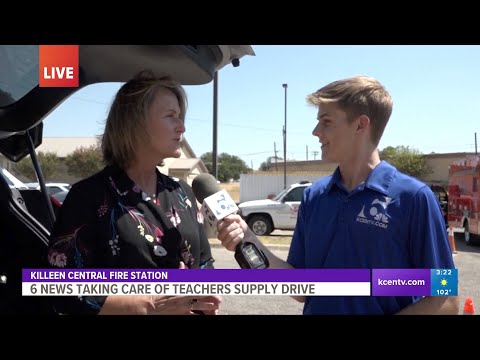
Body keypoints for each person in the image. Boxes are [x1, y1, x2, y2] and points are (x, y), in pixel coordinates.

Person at [216, 75, 460, 315]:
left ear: (360, 125)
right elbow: (301, 289)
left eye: (326, 121)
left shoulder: (413, 198)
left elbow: (446, 299)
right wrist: (249, 239)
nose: (315, 131)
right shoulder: (314, 196)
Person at [47, 70, 221, 315]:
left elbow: (204, 262)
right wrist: (146, 305)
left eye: (180, 116)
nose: (182, 127)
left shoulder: (182, 192)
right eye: (171, 116)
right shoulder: (88, 196)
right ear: (135, 122)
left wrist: (207, 293)